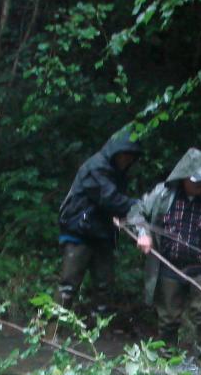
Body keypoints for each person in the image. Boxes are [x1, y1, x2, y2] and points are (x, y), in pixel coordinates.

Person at [127, 148, 201, 365]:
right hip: (169, 264)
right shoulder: (162, 194)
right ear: (183, 177)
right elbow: (136, 211)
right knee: (168, 319)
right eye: (195, 181)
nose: (199, 185)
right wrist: (143, 233)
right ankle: (167, 364)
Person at [55, 129, 142, 312]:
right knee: (68, 286)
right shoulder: (95, 167)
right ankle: (49, 333)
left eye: (131, 156)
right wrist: (141, 205)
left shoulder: (117, 173)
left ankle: (99, 334)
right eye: (124, 155)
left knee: (104, 288)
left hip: (103, 235)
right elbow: (110, 199)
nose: (127, 160)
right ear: (115, 152)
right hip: (80, 233)